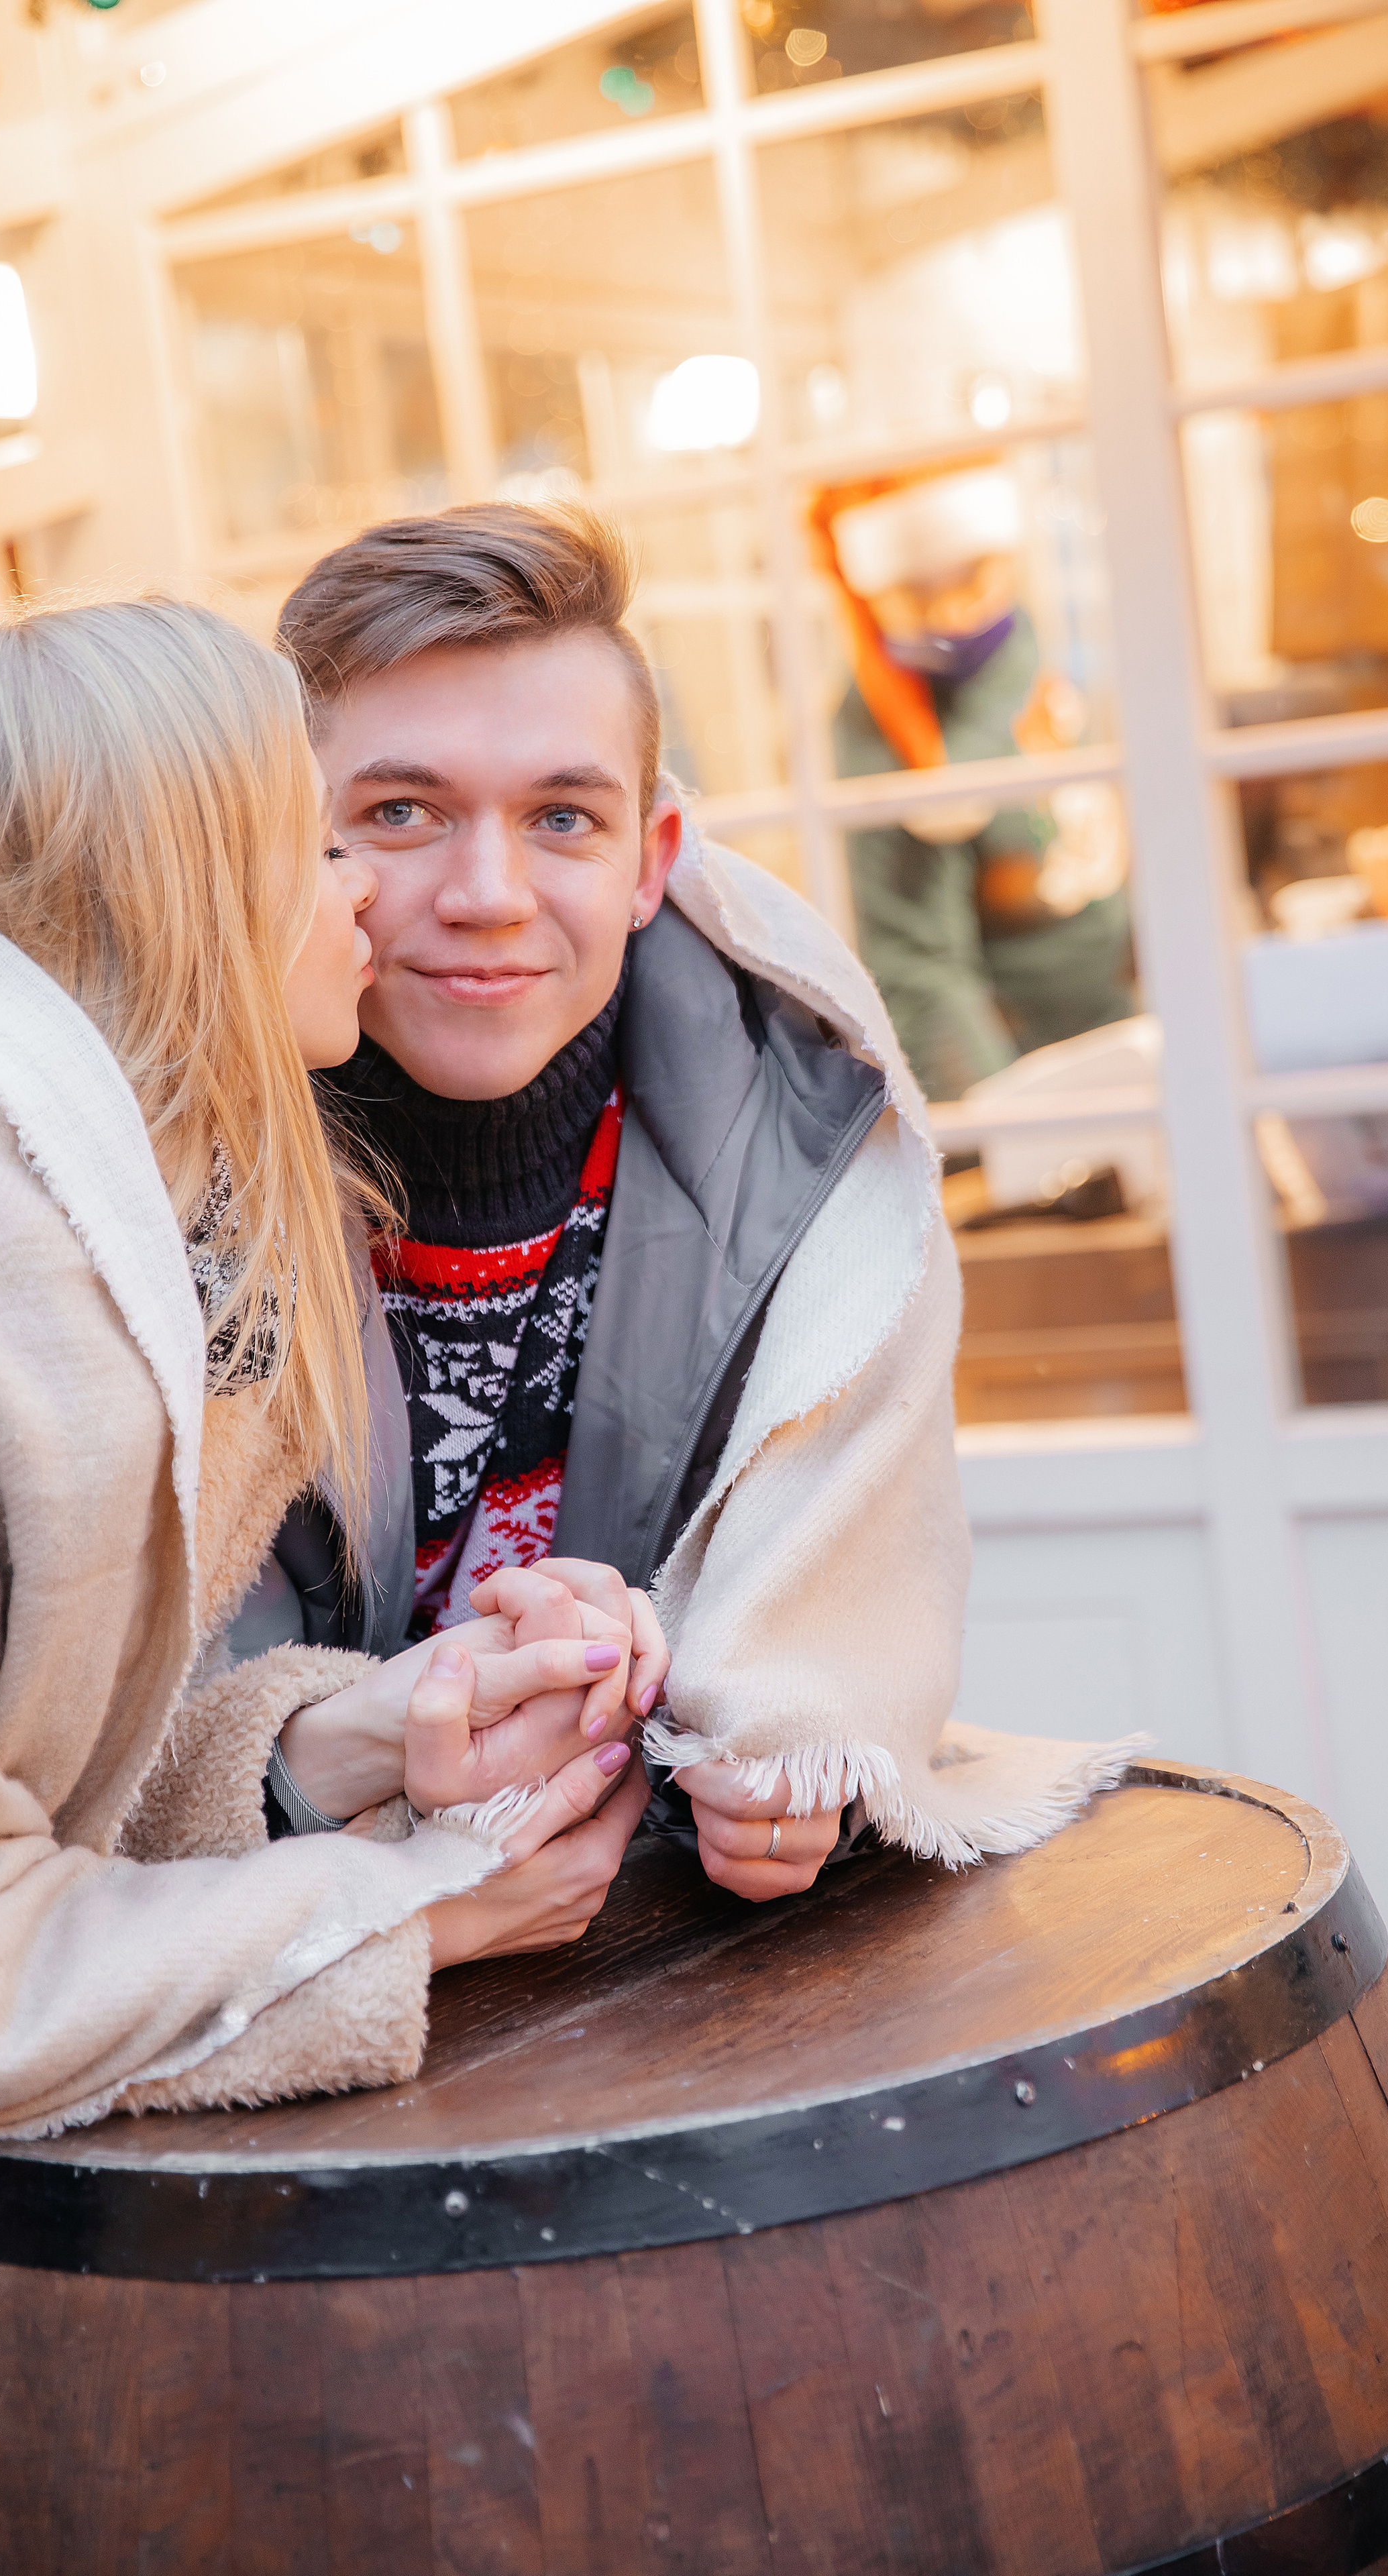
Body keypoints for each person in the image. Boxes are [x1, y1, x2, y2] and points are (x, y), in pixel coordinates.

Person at [0, 596, 653, 2418]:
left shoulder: (53, 1203)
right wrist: (396, 1918)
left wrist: (342, 1744)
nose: (368, 899)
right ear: (186, 880)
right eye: (321, 841)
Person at [269, 503, 1139, 1906]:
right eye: (401, 813)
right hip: (287, 1947)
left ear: (651, 856)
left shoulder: (815, 1142)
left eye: (562, 818)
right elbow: (147, 1732)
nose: (488, 894)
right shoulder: (171, 1180)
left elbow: (834, 1620)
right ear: (283, 847)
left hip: (652, 1938)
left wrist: (783, 1774)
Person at [814, 465, 1137, 1102]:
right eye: (915, 593)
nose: (951, 614)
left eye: (970, 578)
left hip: (1124, 1020)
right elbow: (916, 967)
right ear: (872, 598)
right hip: (1025, 1073)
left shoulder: (1025, 648)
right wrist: (1004, 1129)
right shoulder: (877, 730)